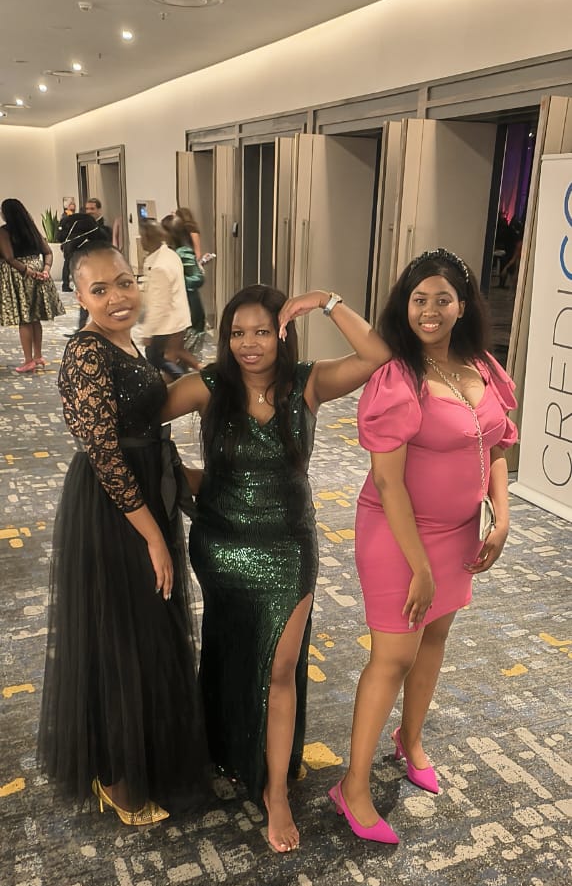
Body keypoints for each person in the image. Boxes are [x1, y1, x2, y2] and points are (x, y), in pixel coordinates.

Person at [162, 284, 392, 852]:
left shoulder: (306, 383)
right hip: (221, 547)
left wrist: (324, 301)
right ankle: (229, 748)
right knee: (231, 649)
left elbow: (377, 355)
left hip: (289, 549)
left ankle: (277, 792)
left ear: (281, 334)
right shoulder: (209, 386)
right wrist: (175, 477)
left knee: (281, 667)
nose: (249, 344)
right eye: (237, 333)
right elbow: (139, 421)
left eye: (262, 331)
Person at [329, 249, 517, 846]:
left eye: (442, 299)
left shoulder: (482, 366)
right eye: (418, 300)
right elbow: (388, 483)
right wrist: (420, 567)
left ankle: (408, 740)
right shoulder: (398, 377)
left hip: (460, 531)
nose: (429, 311)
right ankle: (352, 785)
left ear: (463, 306)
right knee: (392, 657)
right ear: (403, 307)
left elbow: (497, 444)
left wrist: (501, 516)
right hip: (397, 534)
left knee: (434, 638)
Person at [38, 228, 208, 825]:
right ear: (80, 295)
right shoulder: (87, 352)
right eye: (100, 290)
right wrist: (154, 536)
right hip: (115, 506)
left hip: (143, 492)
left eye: (125, 283)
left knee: (144, 626)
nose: (117, 298)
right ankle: (118, 776)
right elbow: (105, 453)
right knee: (120, 634)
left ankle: (141, 758)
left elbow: (145, 418)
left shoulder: (127, 342)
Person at [0, 197, 64, 372]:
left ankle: (28, 360)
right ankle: (38, 355)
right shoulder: (32, 228)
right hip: (39, 270)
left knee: (25, 319)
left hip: (21, 274)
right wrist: (45, 270)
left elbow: (9, 257)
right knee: (35, 318)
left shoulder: (4, 232)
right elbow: (48, 252)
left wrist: (28, 272)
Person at [140, 220, 200, 376]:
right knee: (177, 353)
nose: (140, 241)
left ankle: (182, 381)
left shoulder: (159, 267)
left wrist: (147, 332)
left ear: (148, 238)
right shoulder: (170, 255)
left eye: (142, 236)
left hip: (167, 323)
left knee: (155, 357)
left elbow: (160, 304)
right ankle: (206, 376)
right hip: (179, 318)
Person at [162, 214, 206, 340]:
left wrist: (176, 281)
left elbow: (198, 278)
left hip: (188, 310)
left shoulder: (183, 252)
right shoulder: (169, 251)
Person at [175, 206, 207, 337]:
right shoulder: (181, 235)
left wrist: (195, 262)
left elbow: (197, 254)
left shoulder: (191, 232)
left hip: (189, 270)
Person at [57, 198, 77, 291]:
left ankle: (66, 284)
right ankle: (65, 284)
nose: (73, 208)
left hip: (69, 243)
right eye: (71, 207)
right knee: (68, 264)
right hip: (69, 243)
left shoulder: (68, 216)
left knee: (68, 264)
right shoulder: (67, 217)